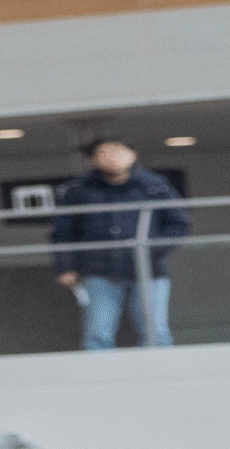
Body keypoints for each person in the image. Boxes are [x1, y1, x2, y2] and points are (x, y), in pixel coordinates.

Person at [51, 139, 191, 349]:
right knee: (98, 333)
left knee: (156, 332)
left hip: (148, 270)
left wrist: (150, 250)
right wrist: (67, 267)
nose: (112, 157)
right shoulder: (80, 190)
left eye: (118, 151)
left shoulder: (153, 185)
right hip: (99, 270)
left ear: (133, 154)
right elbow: (63, 232)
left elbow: (179, 223)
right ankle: (101, 379)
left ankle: (160, 377)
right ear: (92, 160)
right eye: (103, 153)